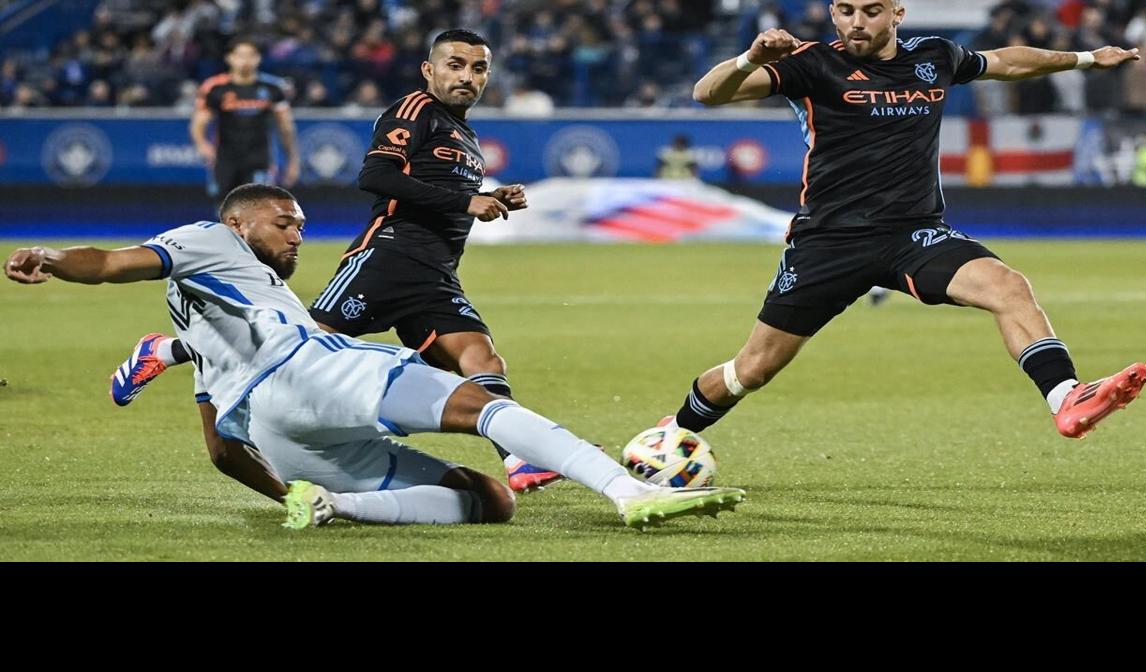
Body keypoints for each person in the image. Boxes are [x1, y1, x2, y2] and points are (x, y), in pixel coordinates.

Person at [7, 184, 745, 530]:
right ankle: (629, 493)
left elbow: (220, 452)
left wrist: (289, 493)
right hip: (308, 370)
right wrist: (50, 257)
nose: (297, 235)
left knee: (490, 501)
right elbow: (109, 262)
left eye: (300, 225)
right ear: (239, 220)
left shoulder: (216, 316)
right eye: (283, 222)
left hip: (272, 433)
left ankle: (337, 508)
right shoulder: (210, 237)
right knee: (482, 404)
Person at [664, 0, 1146, 440]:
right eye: (846, 10)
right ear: (833, 14)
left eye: (872, 11)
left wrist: (1086, 59)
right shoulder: (811, 64)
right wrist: (752, 58)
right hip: (828, 241)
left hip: (914, 234)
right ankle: (671, 433)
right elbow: (707, 93)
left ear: (898, 14)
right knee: (752, 370)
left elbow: (1005, 61)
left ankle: (1066, 397)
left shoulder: (935, 56)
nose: (857, 22)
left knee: (1008, 287)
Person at [122, 30, 561, 494]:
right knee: (294, 349)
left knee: (482, 357)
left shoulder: (465, 134)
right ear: (429, 70)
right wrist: (466, 200)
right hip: (387, 258)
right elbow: (375, 175)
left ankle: (520, 460)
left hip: (435, 275)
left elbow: (440, 191)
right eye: (454, 65)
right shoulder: (414, 111)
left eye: (477, 68)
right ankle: (168, 350)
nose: (466, 76)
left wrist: (487, 197)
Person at [190, 37, 300, 204]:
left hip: (260, 158)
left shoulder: (273, 88)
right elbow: (199, 122)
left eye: (251, 55)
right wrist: (201, 143)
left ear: (258, 58)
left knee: (259, 208)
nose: (245, 61)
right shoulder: (214, 87)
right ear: (230, 58)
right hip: (225, 158)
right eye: (240, 55)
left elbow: (285, 127)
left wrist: (292, 160)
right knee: (225, 209)